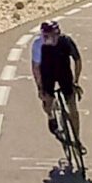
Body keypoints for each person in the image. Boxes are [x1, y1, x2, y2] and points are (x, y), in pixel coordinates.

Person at [36, 20, 84, 174]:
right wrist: (40, 88)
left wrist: (76, 81)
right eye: (46, 35)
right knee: (47, 100)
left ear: (57, 33)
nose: (49, 38)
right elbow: (35, 67)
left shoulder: (66, 41)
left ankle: (77, 140)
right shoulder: (39, 45)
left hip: (64, 74)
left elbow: (77, 60)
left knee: (73, 108)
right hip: (47, 74)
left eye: (52, 35)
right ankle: (51, 117)